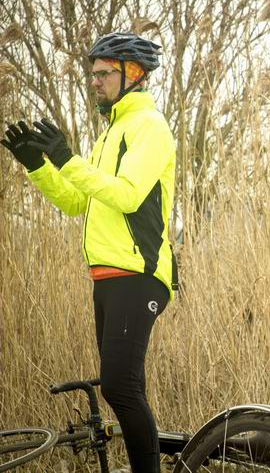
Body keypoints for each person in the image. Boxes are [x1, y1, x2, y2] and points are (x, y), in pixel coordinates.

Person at [1, 32, 177, 473]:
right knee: (121, 386)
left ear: (133, 74)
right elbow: (78, 202)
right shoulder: (111, 133)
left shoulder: (149, 127)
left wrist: (66, 157)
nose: (94, 82)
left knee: (120, 387)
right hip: (107, 278)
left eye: (104, 73)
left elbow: (127, 195)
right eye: (92, 74)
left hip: (138, 275)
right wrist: (39, 165)